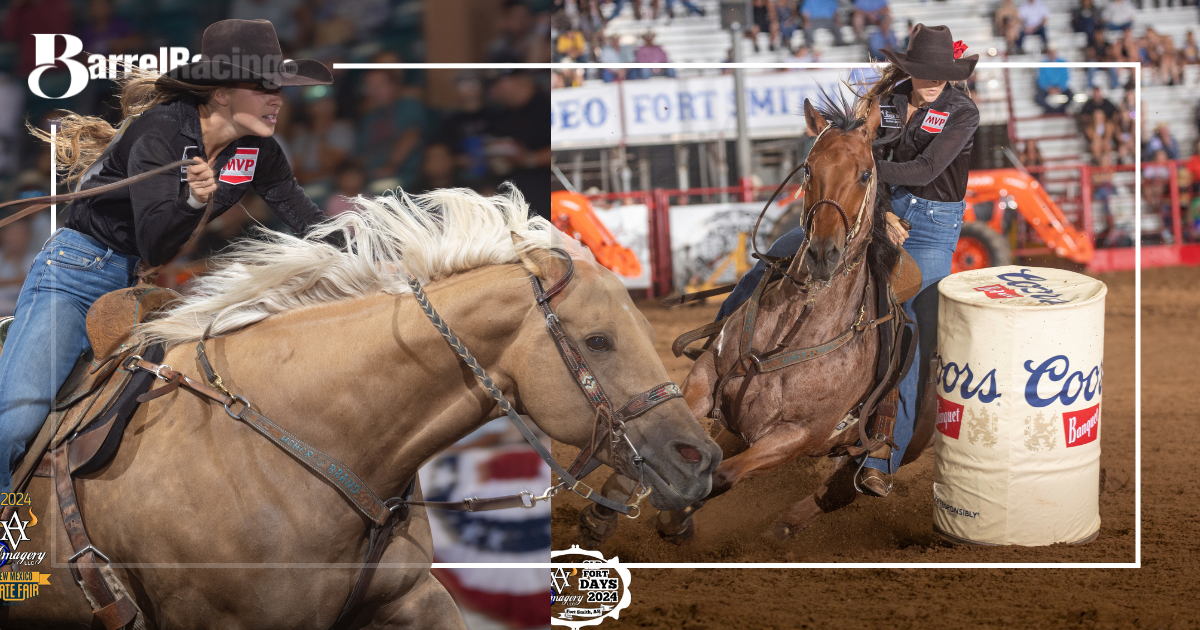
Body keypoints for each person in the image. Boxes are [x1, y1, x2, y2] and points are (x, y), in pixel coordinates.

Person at [0, 20, 337, 496]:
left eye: (278, 88)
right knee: (11, 427)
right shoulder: (160, 131)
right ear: (221, 93)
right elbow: (156, 242)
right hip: (76, 275)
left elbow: (311, 222)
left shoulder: (259, 151)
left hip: (141, 288)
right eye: (263, 87)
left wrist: (379, 255)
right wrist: (194, 201)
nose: (277, 99)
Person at [715, 24, 980, 497]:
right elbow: (855, 154)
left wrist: (863, 173)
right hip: (875, 206)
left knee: (913, 323)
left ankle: (883, 451)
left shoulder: (962, 112)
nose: (935, 79)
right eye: (926, 70)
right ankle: (717, 346)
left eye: (943, 72)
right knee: (781, 251)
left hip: (932, 228)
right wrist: (875, 203)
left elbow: (926, 169)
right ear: (910, 69)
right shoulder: (889, 103)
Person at [1034, 48, 1073, 114]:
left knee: (1071, 96)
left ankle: (1061, 110)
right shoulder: (1043, 63)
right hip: (1048, 88)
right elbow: (1041, 79)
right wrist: (1048, 88)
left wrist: (1060, 87)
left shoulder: (1062, 62)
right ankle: (1050, 110)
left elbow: (1065, 77)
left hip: (1059, 87)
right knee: (1038, 98)